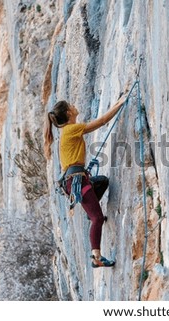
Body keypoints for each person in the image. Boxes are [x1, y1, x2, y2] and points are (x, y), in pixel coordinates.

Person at [44, 96, 126, 267]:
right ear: (68, 112)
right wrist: (119, 103)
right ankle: (96, 257)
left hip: (78, 179)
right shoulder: (71, 129)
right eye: (71, 105)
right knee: (97, 219)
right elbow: (102, 121)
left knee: (102, 181)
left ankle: (91, 212)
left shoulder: (67, 131)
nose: (75, 105)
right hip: (76, 181)